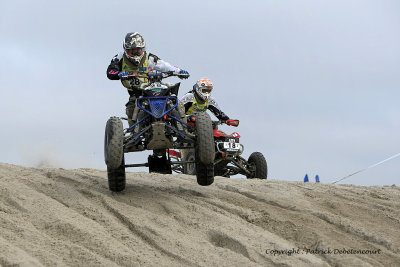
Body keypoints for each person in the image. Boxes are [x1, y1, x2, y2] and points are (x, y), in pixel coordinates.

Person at [107, 32, 189, 126]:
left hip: (151, 88)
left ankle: (183, 128)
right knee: (131, 109)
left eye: (138, 51)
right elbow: (110, 71)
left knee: (173, 99)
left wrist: (179, 71)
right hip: (136, 93)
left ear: (143, 49)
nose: (136, 54)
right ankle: (134, 132)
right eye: (132, 51)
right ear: (125, 49)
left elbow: (164, 66)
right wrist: (118, 73)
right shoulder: (120, 57)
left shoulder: (149, 57)